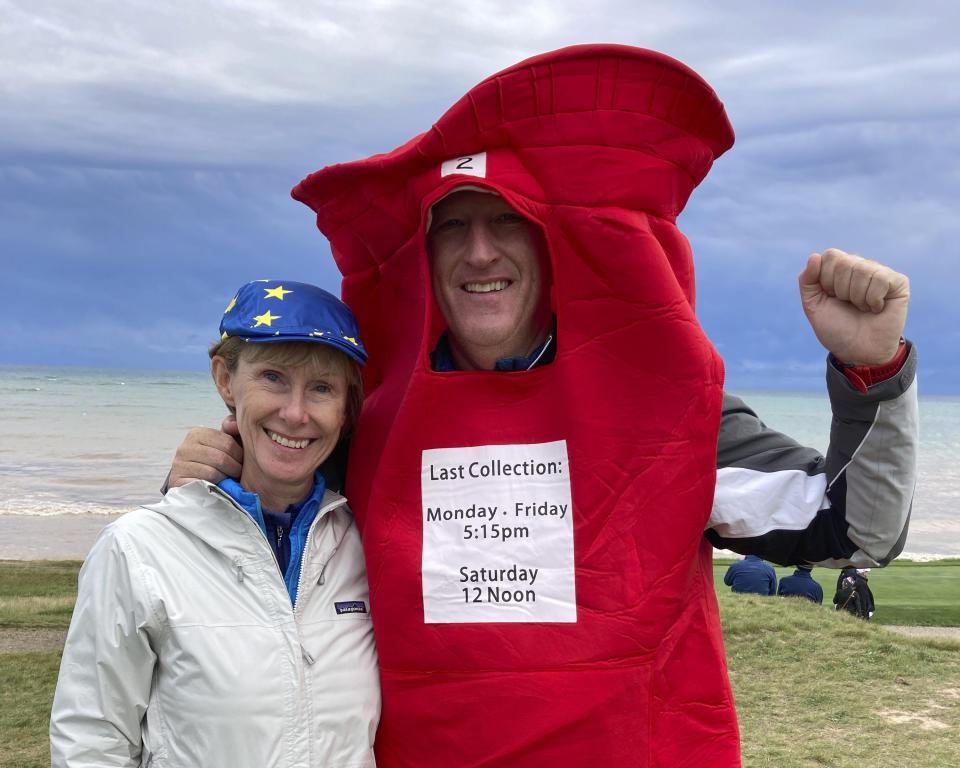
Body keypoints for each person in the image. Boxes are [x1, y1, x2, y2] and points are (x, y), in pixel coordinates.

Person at [167, 46, 918, 767]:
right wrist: (206, 492)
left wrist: (872, 368)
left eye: (507, 220)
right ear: (424, 258)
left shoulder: (662, 405)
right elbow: (269, 558)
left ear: (551, 241)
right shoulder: (371, 422)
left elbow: (858, 532)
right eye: (452, 227)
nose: (481, 252)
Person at [51, 280, 380, 767]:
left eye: (322, 388)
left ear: (347, 406)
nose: (295, 413)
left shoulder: (366, 542)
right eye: (272, 377)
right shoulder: (139, 547)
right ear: (226, 380)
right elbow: (90, 740)